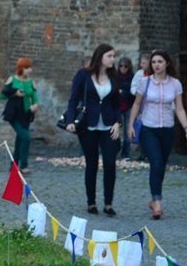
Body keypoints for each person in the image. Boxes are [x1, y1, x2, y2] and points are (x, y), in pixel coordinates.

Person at [127, 50, 187, 219]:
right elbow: (137, 104)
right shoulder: (145, 82)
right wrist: (131, 125)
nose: (156, 65)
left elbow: (179, 108)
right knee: (156, 163)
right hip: (149, 128)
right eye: (154, 62)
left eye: (160, 61)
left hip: (167, 129)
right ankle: (158, 202)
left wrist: (186, 127)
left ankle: (154, 199)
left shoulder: (175, 84)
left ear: (166, 63)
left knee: (161, 166)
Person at [64, 43, 122, 216]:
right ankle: (91, 202)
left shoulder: (114, 76)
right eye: (109, 56)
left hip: (108, 125)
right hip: (88, 125)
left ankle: (108, 203)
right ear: (100, 57)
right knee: (92, 163)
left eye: (113, 56)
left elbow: (117, 104)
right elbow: (73, 99)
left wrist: (118, 122)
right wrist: (70, 121)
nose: (112, 59)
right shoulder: (83, 75)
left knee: (110, 162)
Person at [0, 57, 39, 175]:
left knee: (20, 140)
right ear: (21, 68)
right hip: (13, 114)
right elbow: (3, 95)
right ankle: (24, 165)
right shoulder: (12, 79)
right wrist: (15, 93)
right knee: (26, 137)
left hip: (26, 114)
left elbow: (35, 98)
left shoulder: (31, 82)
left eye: (30, 68)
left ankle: (14, 166)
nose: (29, 70)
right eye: (27, 68)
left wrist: (35, 105)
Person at [116, 56, 134, 159]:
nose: (123, 68)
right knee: (114, 130)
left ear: (129, 67)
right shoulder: (115, 77)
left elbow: (133, 93)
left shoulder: (132, 78)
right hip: (117, 106)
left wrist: (122, 92)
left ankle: (125, 154)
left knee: (127, 131)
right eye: (121, 66)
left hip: (128, 106)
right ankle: (114, 151)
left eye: (125, 66)